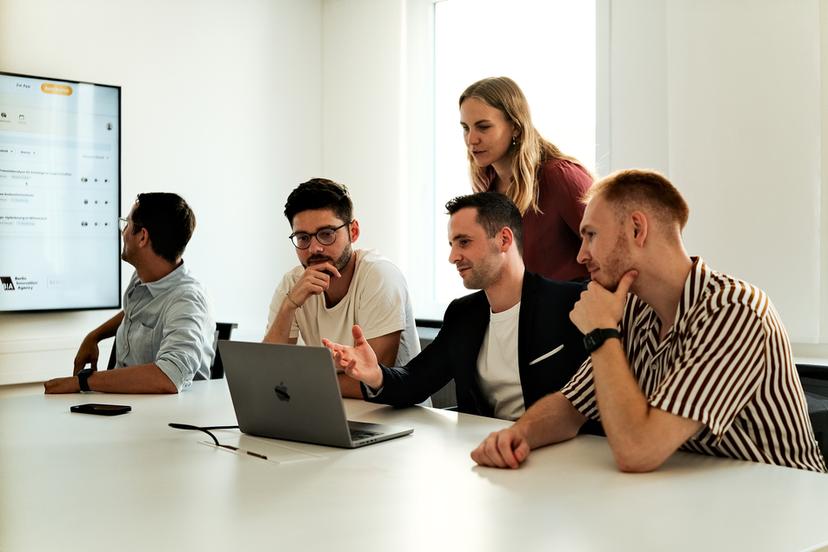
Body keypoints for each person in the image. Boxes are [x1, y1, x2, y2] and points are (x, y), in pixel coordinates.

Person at [471, 169, 828, 473]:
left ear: (637, 229)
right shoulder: (633, 311)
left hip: (787, 515)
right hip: (705, 501)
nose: (581, 256)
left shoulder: (736, 310)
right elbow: (570, 407)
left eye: (591, 235)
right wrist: (519, 435)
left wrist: (600, 334)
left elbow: (637, 451)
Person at [323, 192, 587, 421]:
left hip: (562, 454)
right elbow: (415, 382)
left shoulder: (571, 304)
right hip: (484, 455)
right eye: (451, 244)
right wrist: (375, 375)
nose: (452, 257)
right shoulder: (463, 314)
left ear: (504, 239)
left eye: (464, 242)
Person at [44, 193, 215, 394]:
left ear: (142, 236)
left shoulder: (187, 300)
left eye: (127, 224)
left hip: (165, 420)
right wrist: (94, 336)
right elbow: (133, 312)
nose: (123, 232)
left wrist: (81, 381)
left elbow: (169, 377)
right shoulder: (142, 278)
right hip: (127, 408)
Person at [263, 178, 419, 398]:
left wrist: (298, 385)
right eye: (303, 238)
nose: (315, 248)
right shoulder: (292, 283)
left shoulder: (380, 275)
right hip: (330, 409)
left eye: (327, 234)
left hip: (397, 417)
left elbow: (371, 380)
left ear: (353, 232)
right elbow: (268, 369)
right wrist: (289, 306)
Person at [459, 76, 592, 282]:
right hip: (525, 310)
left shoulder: (558, 176)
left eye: (483, 127)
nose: (471, 139)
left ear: (516, 127)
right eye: (466, 128)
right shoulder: (487, 188)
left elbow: (610, 248)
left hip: (574, 308)